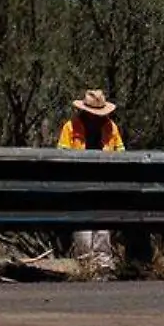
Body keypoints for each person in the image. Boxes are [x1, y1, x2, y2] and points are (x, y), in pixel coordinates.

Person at [57, 89, 124, 272]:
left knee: (102, 227)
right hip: (79, 186)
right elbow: (62, 157)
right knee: (83, 230)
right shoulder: (70, 127)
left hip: (104, 186)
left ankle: (102, 265)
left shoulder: (111, 128)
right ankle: (86, 265)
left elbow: (120, 154)